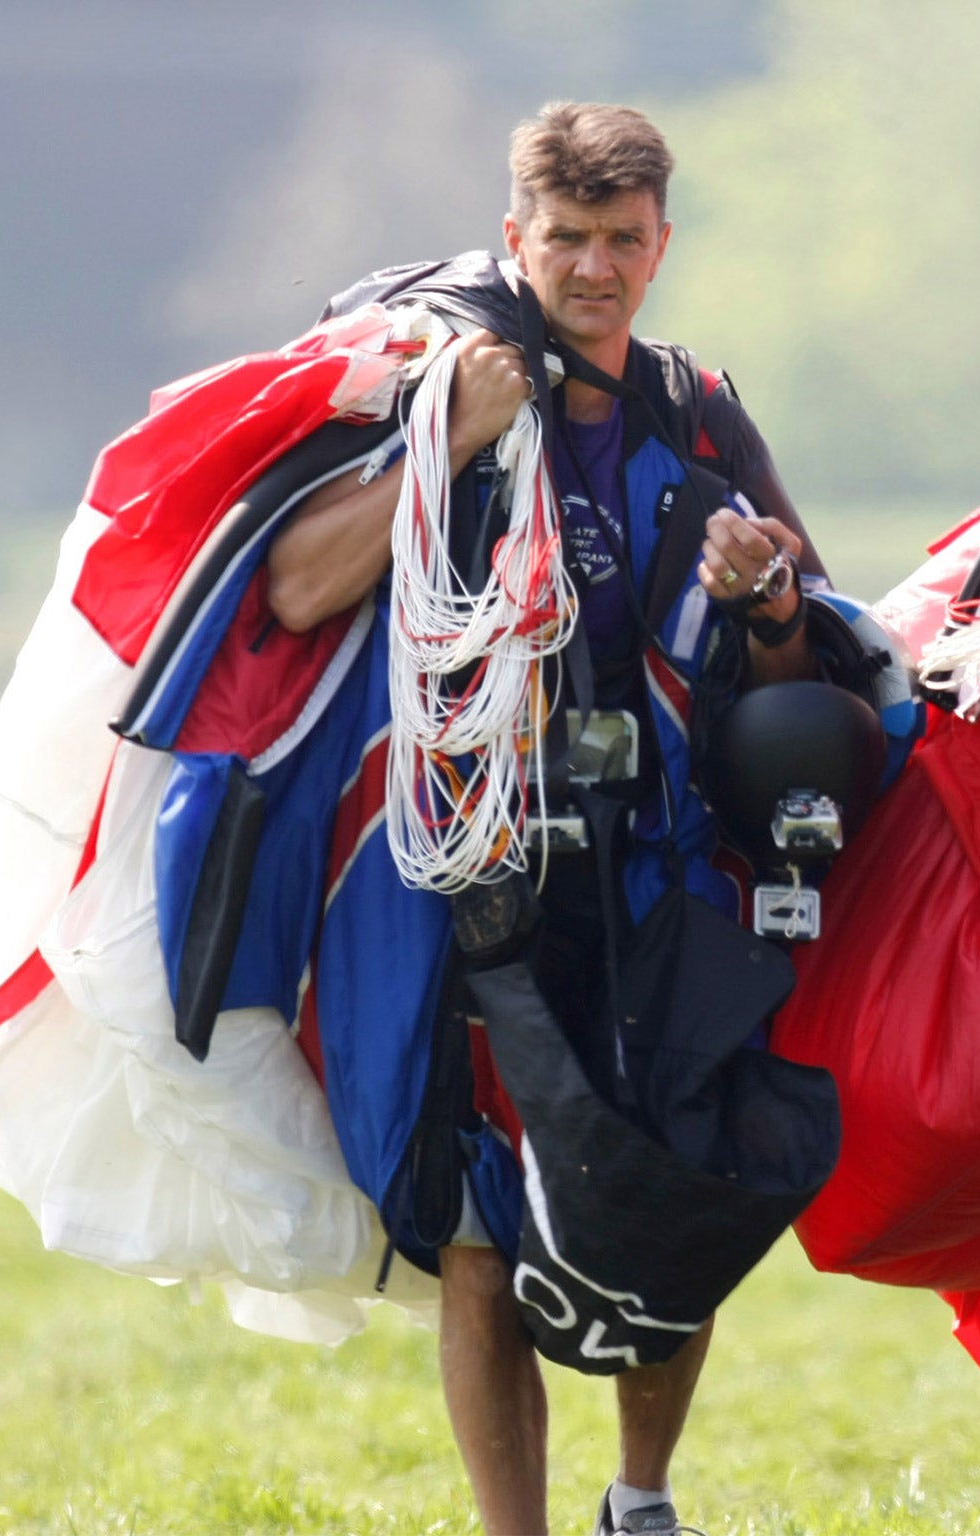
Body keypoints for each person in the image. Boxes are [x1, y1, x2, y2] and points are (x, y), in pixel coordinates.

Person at [268, 101, 823, 1536]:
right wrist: (446, 442)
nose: (592, 267)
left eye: (620, 241)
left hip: (662, 859)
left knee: (683, 1180)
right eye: (565, 238)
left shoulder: (699, 411)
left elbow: (803, 667)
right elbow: (296, 587)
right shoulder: (435, 384)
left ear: (660, 245)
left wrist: (765, 602)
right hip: (479, 858)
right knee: (474, 1227)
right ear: (516, 237)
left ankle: (641, 1503)